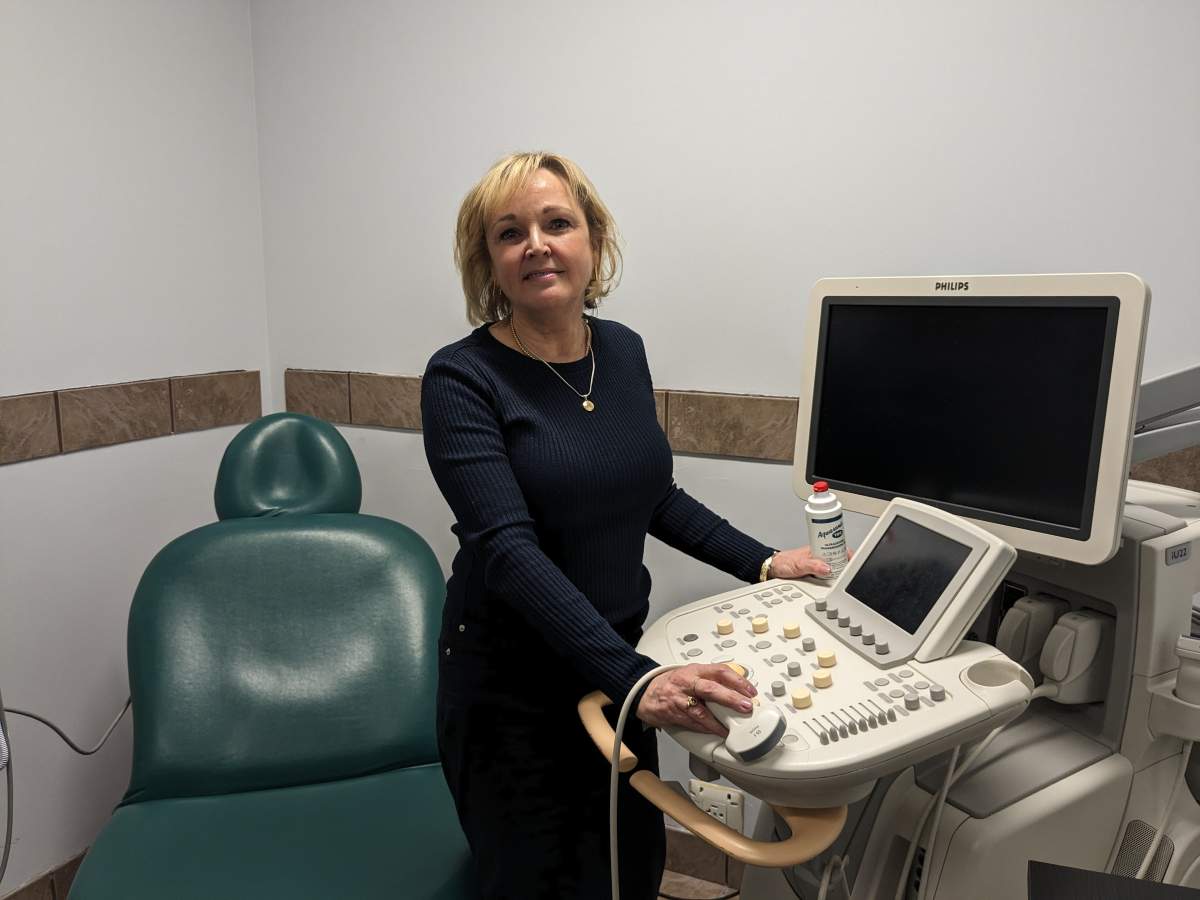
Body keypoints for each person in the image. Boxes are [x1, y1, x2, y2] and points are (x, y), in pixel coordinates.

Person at [421, 152, 832, 900]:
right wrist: (638, 680)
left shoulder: (622, 351)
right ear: (490, 262)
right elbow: (508, 552)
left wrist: (768, 563)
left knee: (629, 865)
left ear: (594, 240)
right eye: (510, 233)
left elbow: (654, 497)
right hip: (512, 691)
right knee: (540, 882)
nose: (537, 244)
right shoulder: (461, 378)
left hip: (617, 667)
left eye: (557, 222)